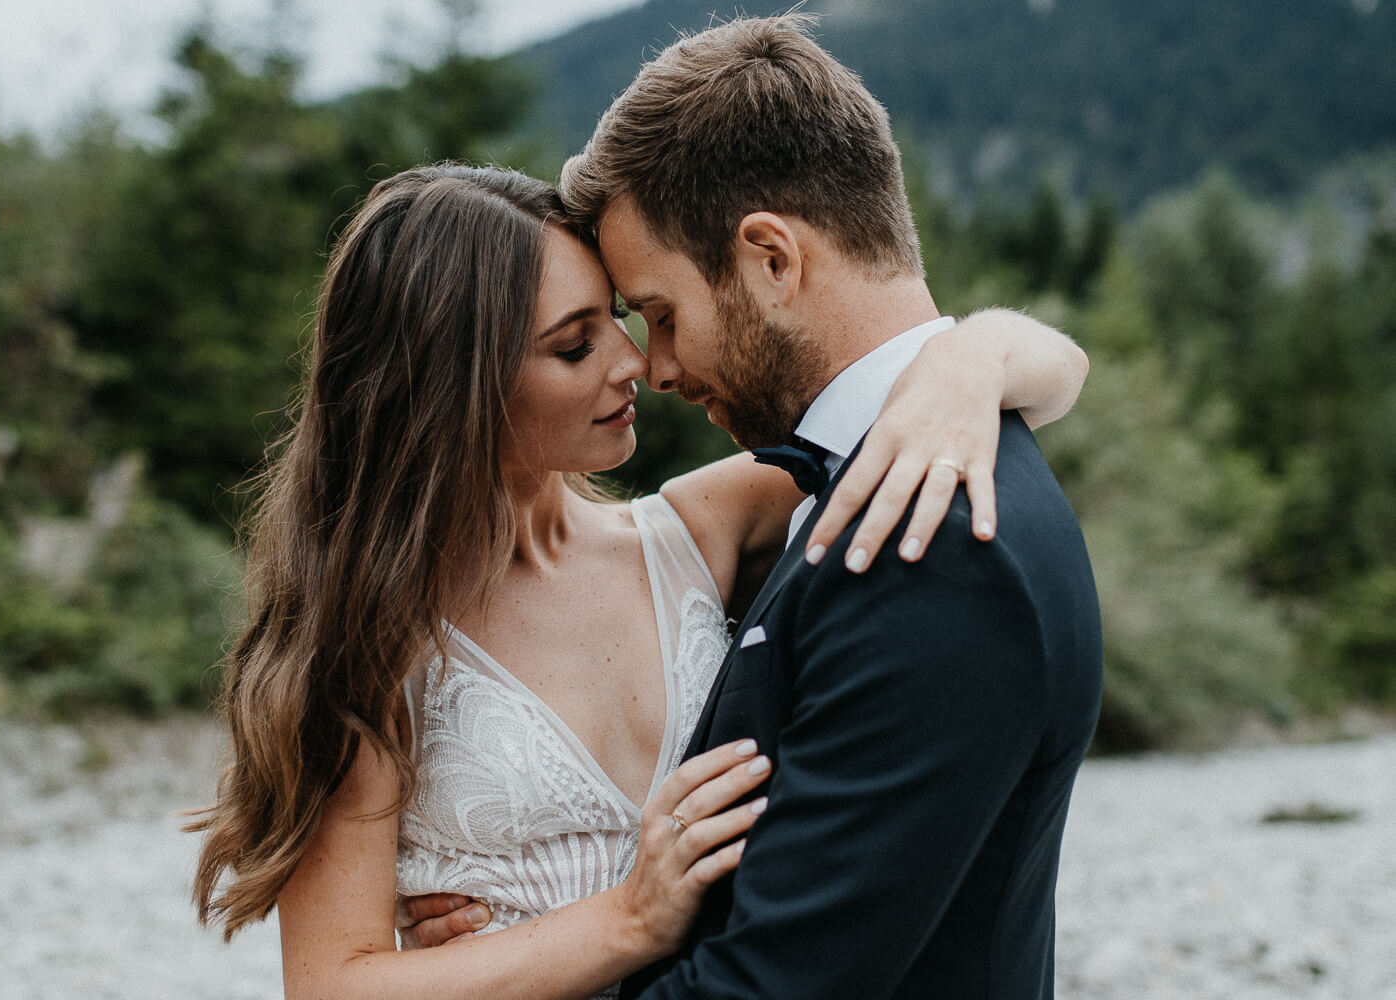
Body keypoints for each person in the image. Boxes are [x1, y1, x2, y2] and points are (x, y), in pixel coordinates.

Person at [187, 161, 1088, 1000]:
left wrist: (969, 362)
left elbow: (1046, 368)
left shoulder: (699, 530)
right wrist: (622, 922)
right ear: (453, 386)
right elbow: (331, 984)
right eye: (574, 348)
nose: (636, 365)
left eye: (619, 319)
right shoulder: (371, 641)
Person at [557, 14, 1103, 999]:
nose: (659, 368)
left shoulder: (928, 534)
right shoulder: (874, 477)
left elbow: (771, 985)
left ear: (772, 258)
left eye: (665, 315)